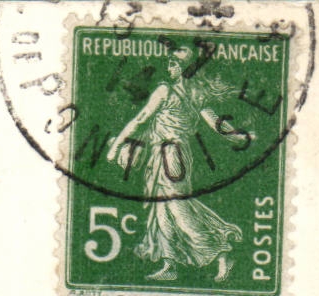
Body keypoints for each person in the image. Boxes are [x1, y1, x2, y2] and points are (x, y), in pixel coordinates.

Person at [106, 44, 250, 282]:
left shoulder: (164, 90)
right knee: (161, 210)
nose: (169, 67)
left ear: (184, 69)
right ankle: (169, 263)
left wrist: (114, 147)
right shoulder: (197, 95)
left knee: (177, 208)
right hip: (173, 154)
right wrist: (236, 135)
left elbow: (141, 119)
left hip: (169, 154)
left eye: (174, 64)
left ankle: (222, 251)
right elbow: (215, 123)